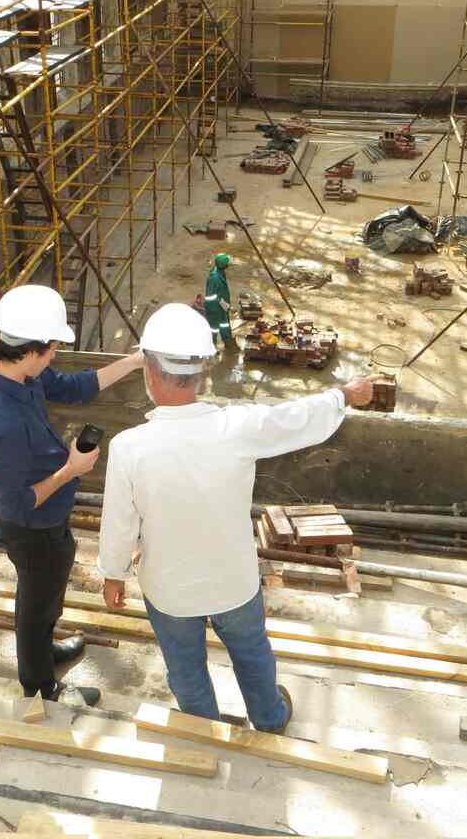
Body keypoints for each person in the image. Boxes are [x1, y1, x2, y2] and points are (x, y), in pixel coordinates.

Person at [97, 303, 374, 733]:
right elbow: (297, 419)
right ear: (203, 375)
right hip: (234, 583)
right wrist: (344, 394)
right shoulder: (237, 428)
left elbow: (119, 524)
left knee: (185, 669)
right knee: (252, 653)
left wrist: (113, 574)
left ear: (149, 373)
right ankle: (269, 718)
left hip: (170, 590)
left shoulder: (130, 447)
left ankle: (203, 729)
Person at [0, 284, 143, 704]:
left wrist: (136, 362)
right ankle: (40, 685)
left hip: (51, 518)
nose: (54, 357)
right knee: (35, 603)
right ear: (29, 350)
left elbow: (74, 387)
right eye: (51, 350)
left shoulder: (19, 372)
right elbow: (15, 503)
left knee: (46, 595)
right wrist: (71, 471)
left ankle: (44, 650)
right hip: (31, 526)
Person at [203, 253, 234, 351]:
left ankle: (228, 342)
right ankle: (211, 347)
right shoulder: (214, 278)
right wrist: (225, 305)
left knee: (224, 325)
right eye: (227, 264)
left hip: (221, 307)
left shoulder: (220, 273)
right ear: (224, 265)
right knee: (214, 328)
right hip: (214, 309)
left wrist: (225, 305)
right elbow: (210, 297)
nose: (229, 265)